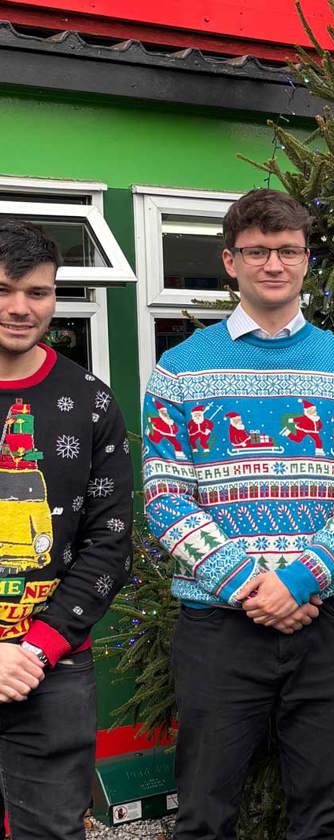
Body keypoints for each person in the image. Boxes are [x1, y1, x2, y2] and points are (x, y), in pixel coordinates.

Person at [142, 189, 334, 840]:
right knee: (203, 814)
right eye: (256, 251)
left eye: (287, 250)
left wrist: (300, 581)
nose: (272, 264)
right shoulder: (179, 371)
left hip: (324, 629)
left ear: (307, 261)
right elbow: (165, 498)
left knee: (321, 814)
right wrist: (254, 588)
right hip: (220, 628)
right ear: (229, 261)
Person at [0, 219, 132, 838]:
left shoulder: (89, 399)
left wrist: (36, 647)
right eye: (4, 289)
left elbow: (110, 542)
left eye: (39, 291)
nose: (21, 308)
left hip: (51, 668)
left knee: (52, 830)